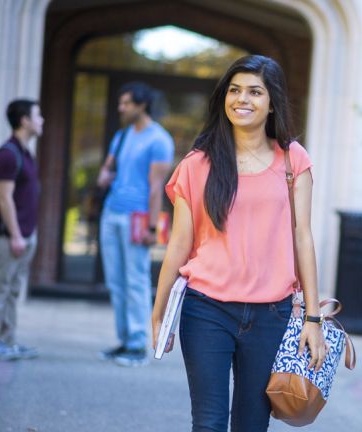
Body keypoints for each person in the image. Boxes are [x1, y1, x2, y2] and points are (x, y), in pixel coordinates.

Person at [152, 54, 326, 431]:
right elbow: (179, 243)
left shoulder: (293, 159)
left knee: (252, 423)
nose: (241, 99)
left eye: (254, 92)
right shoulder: (197, 165)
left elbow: (303, 237)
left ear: (272, 102)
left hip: (272, 314)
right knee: (209, 422)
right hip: (207, 311)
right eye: (234, 90)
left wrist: (312, 317)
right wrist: (159, 313)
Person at [96, 82, 174, 367]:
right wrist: (105, 175)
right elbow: (108, 167)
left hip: (137, 218)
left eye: (126, 103)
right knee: (116, 282)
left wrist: (152, 228)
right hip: (111, 213)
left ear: (141, 105)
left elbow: (157, 187)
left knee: (136, 281)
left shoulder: (159, 140)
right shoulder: (121, 136)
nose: (121, 108)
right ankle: (124, 340)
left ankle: (138, 345)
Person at [0, 99, 43, 361]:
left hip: (24, 235)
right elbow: (4, 199)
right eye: (38, 116)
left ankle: (6, 340)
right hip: (8, 237)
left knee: (12, 290)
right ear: (24, 120)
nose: (42, 120)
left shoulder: (24, 152)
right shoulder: (8, 154)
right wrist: (16, 235)